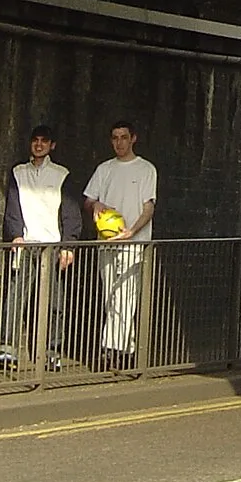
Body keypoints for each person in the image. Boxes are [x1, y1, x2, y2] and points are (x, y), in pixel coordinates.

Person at [0, 124, 83, 369]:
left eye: (44, 141)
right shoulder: (18, 172)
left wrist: (69, 245)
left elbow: (70, 212)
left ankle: (51, 350)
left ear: (52, 145)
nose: (39, 144)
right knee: (14, 298)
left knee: (55, 302)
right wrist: (15, 235)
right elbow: (13, 207)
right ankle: (7, 348)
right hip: (26, 244)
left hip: (52, 245)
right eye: (35, 140)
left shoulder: (62, 174)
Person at [84, 121, 157, 367]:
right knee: (110, 296)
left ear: (133, 139)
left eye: (124, 137)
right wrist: (96, 205)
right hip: (106, 241)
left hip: (134, 243)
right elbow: (88, 200)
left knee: (124, 296)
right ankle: (128, 348)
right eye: (115, 138)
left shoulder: (146, 169)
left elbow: (149, 208)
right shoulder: (104, 169)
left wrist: (132, 231)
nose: (119, 143)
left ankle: (110, 349)